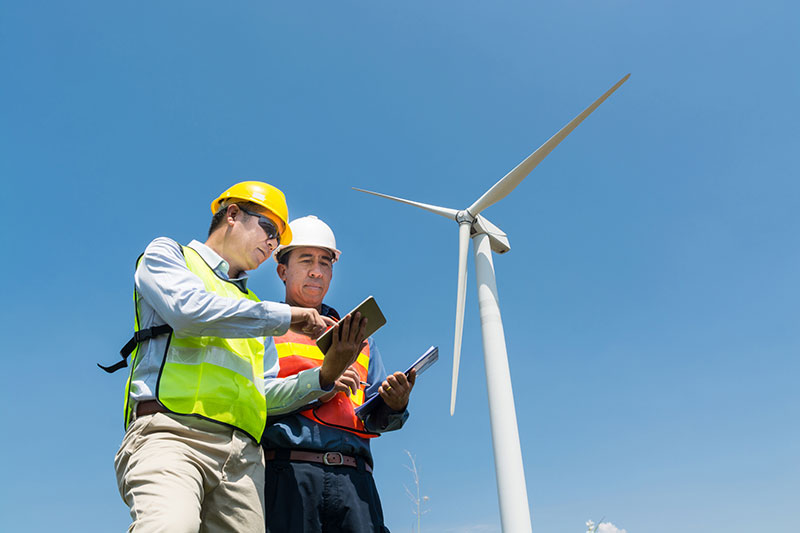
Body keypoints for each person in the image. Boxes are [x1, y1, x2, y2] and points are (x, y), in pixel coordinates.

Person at [109, 182, 367, 533]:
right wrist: (287, 317)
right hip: (172, 435)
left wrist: (323, 377)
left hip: (243, 459)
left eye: (277, 239)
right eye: (269, 230)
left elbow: (266, 394)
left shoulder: (257, 308)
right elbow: (189, 311)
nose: (272, 245)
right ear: (232, 214)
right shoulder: (169, 256)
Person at [262, 215, 416, 533]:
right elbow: (254, 399)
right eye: (306, 260)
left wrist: (395, 405)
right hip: (289, 474)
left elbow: (373, 416)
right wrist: (324, 381)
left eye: (325, 262)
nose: (317, 270)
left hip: (356, 480)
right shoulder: (264, 326)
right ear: (282, 270)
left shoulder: (359, 336)